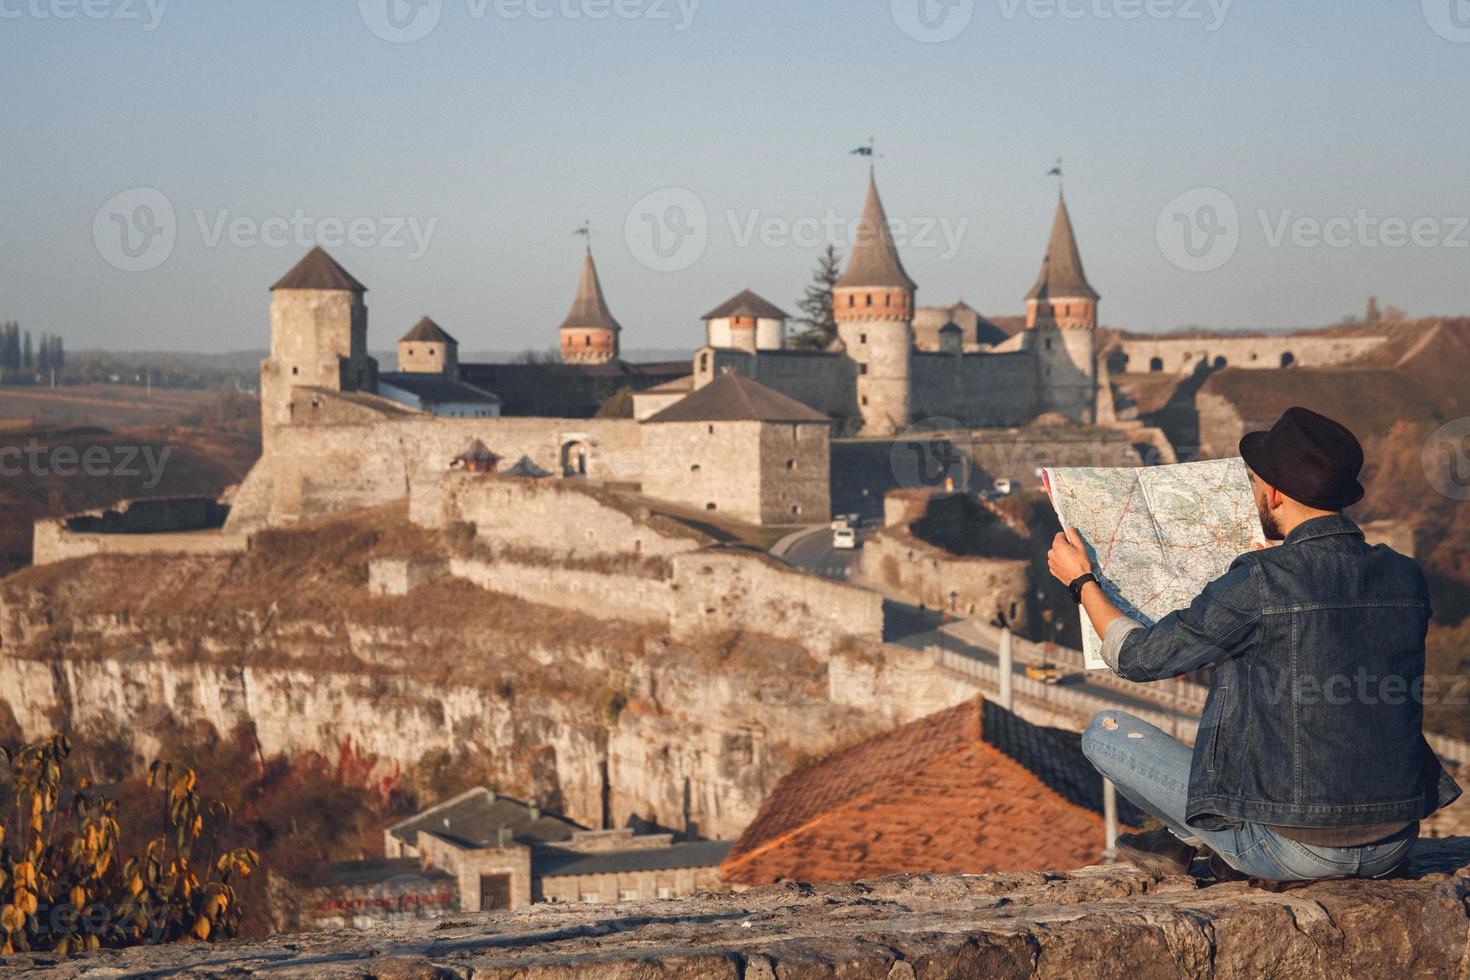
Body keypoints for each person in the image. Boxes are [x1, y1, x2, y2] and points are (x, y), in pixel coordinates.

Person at [1047, 407, 1460, 883]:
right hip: (1395, 840)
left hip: (1296, 850)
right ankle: (1182, 841)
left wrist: (1081, 582)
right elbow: (1338, 633)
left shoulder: (1263, 581)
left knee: (1104, 732)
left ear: (1275, 492)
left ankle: (1192, 838)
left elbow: (1138, 659)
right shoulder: (1405, 575)